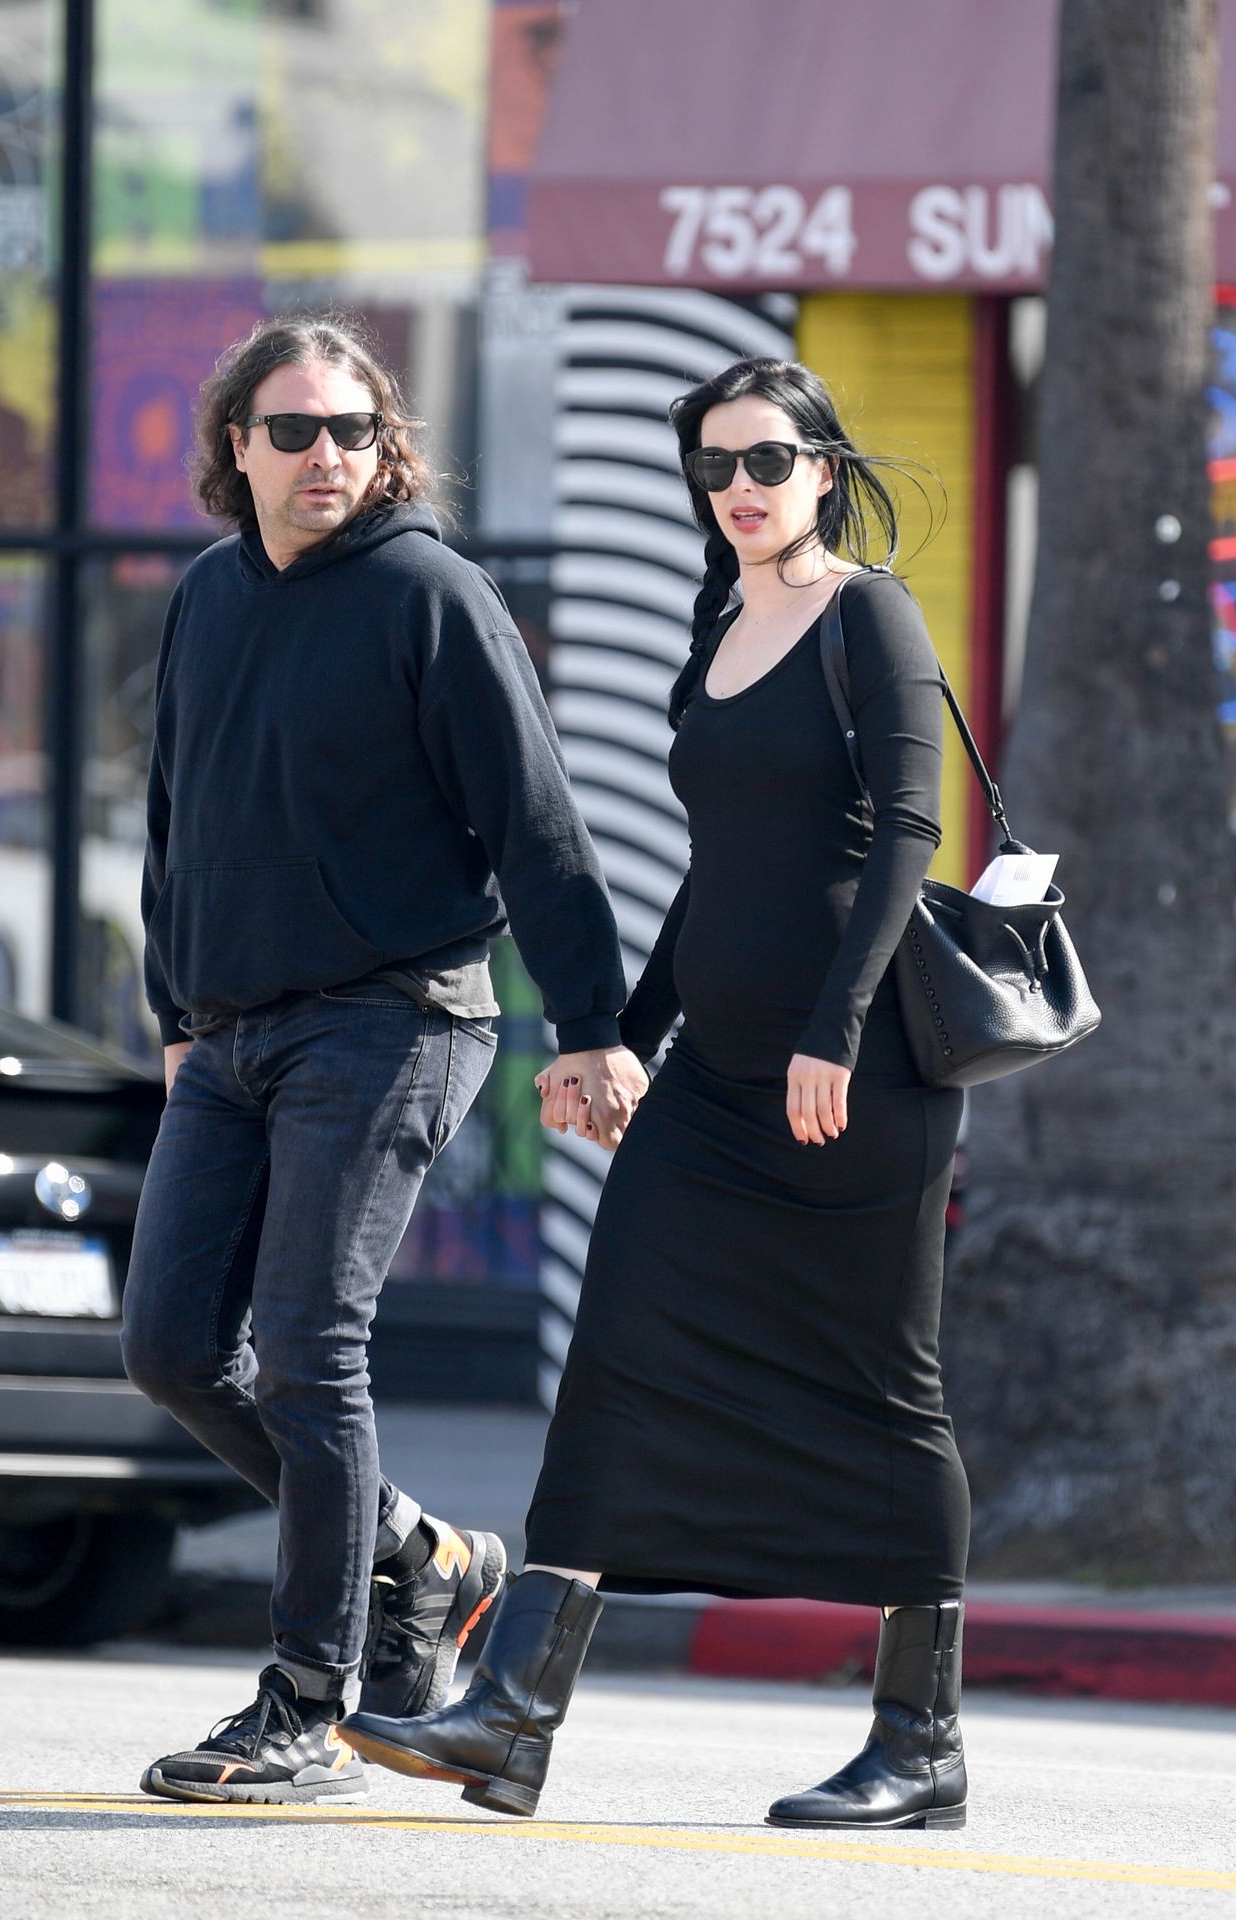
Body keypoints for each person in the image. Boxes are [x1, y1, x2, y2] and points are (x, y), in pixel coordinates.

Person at [343, 357, 970, 1831]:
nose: (739, 489)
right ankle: (510, 1718)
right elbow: (718, 875)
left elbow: (908, 832)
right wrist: (620, 1034)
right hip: (718, 1080)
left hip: (856, 1077)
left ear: (825, 468)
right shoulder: (722, 617)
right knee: (617, 1352)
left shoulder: (867, 613)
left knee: (884, 1384)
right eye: (714, 468)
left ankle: (923, 1744)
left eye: (767, 461)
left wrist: (835, 1031)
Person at [121, 314, 648, 1806]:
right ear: (238, 446)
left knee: (308, 1348)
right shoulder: (209, 595)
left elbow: (538, 825)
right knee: (171, 1348)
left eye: (352, 430)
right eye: (293, 430)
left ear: (383, 445)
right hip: (231, 1034)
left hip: (393, 1015)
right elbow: (175, 813)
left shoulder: (432, 594)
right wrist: (175, 1009)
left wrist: (593, 1027)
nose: (326, 456)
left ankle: (308, 1699)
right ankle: (418, 1554)